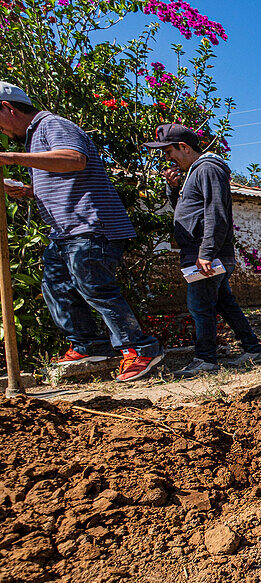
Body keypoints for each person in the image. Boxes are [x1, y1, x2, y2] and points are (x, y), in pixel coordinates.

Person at [0, 81, 163, 381]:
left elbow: (74, 160)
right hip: (64, 231)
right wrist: (28, 190)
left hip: (89, 225)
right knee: (55, 286)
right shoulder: (33, 138)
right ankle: (89, 344)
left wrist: (10, 158)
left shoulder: (52, 124)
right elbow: (64, 181)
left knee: (95, 288)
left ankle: (140, 349)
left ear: (8, 108)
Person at [143, 124, 261, 376]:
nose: (167, 159)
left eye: (168, 152)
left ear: (184, 147)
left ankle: (205, 360)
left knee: (199, 306)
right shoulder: (193, 174)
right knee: (223, 303)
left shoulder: (207, 169)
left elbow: (216, 213)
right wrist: (173, 188)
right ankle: (253, 349)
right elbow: (189, 212)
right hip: (205, 255)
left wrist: (206, 252)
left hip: (207, 256)